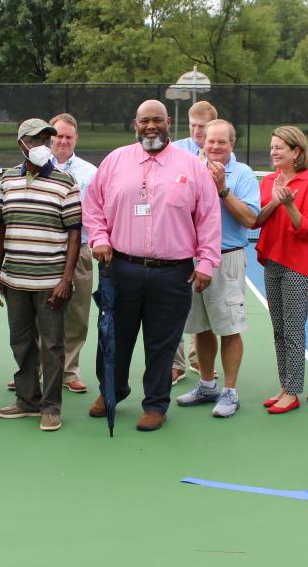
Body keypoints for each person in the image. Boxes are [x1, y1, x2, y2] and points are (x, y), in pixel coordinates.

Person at [81, 99, 221, 432]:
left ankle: (156, 404)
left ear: (168, 122)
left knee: (162, 342)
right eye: (145, 121)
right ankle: (111, 391)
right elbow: (93, 206)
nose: (151, 126)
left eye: (157, 120)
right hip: (121, 268)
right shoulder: (115, 161)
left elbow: (209, 216)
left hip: (173, 273)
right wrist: (99, 238)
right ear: (135, 123)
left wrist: (207, 263)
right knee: (114, 336)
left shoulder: (192, 166)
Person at [0, 119, 82, 432]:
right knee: (21, 343)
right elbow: (3, 228)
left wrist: (66, 279)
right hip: (15, 280)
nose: (44, 143)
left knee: (53, 346)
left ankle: (51, 407)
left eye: (47, 138)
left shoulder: (66, 181)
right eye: (37, 139)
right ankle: (27, 401)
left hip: (50, 283)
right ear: (22, 144)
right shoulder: (6, 180)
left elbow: (74, 233)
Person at [173, 120, 260, 418]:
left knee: (229, 327)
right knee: (201, 326)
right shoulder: (190, 168)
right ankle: (207, 384)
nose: (215, 147)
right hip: (194, 260)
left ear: (232, 144)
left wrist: (222, 189)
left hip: (227, 258)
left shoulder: (244, 174)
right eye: (210, 141)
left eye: (222, 142)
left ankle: (230, 391)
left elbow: (250, 219)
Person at [253, 126, 308, 414]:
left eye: (279, 147)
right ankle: (284, 385)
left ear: (296, 151)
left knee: (293, 331)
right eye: (272, 147)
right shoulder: (268, 180)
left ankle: (293, 392)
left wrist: (290, 205)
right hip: (273, 260)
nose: (273, 151)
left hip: (298, 265)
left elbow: (307, 230)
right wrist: (275, 200)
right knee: (278, 330)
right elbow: (256, 219)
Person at [49, 112, 98, 392]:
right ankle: (37, 370)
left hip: (79, 252)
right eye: (58, 135)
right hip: (45, 252)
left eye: (68, 136)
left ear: (76, 139)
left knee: (77, 314)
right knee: (39, 313)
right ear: (50, 137)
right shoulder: (35, 166)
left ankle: (69, 372)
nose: (63, 141)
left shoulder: (90, 173)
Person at [170, 100, 215, 381]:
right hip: (177, 242)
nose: (198, 131)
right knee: (172, 305)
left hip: (206, 244)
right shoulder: (174, 151)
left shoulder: (219, 151)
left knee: (203, 305)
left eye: (203, 126)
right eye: (193, 126)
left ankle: (200, 358)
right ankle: (175, 364)